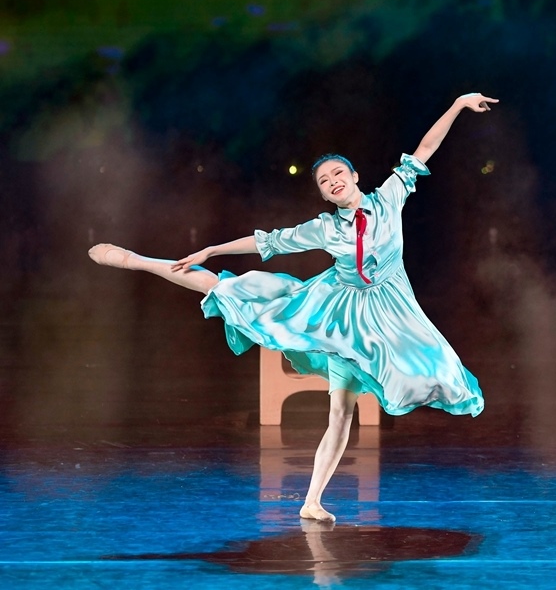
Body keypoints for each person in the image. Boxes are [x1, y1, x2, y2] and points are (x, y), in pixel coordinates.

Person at [88, 92, 496, 522]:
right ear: (322, 193)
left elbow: (425, 148)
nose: (333, 181)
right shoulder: (324, 227)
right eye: (324, 180)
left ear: (355, 176)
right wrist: (212, 249)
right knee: (231, 290)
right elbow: (268, 241)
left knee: (364, 403)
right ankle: (137, 260)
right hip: (336, 314)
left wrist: (457, 105)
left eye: (338, 173)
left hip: (387, 315)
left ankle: (310, 502)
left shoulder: (389, 197)